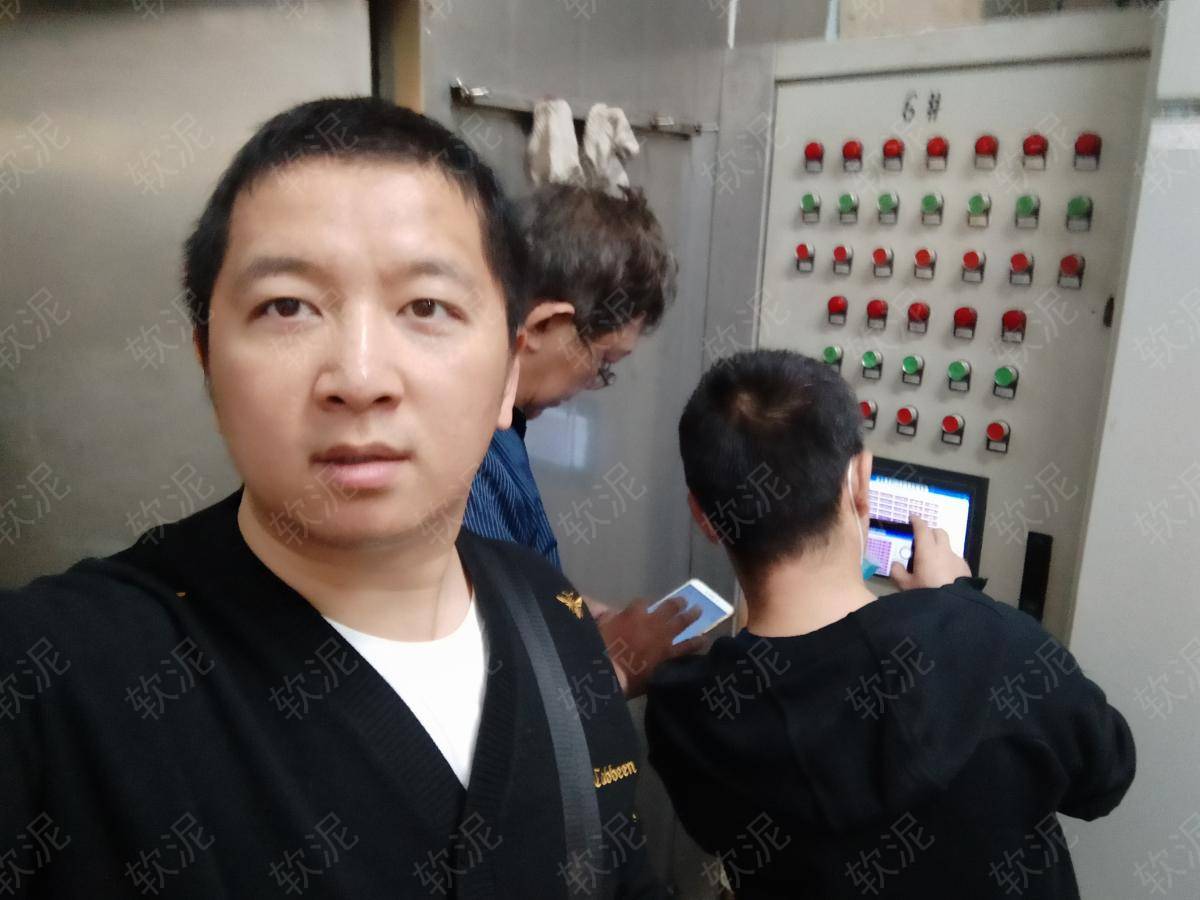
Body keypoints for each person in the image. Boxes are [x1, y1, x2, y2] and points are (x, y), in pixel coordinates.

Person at [0, 98, 660, 898]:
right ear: (208, 361)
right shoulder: (50, 677)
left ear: (508, 371)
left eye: (427, 307)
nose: (360, 377)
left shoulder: (555, 621)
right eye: (287, 307)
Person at [644, 349, 1136, 900]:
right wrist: (956, 604)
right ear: (860, 479)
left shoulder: (685, 717)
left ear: (704, 516)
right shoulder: (996, 646)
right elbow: (1106, 778)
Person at [463, 183, 702, 697]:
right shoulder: (461, 460)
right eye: (604, 362)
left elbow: (517, 582)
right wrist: (615, 665)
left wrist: (572, 613)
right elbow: (488, 697)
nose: (593, 383)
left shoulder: (503, 428)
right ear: (546, 324)